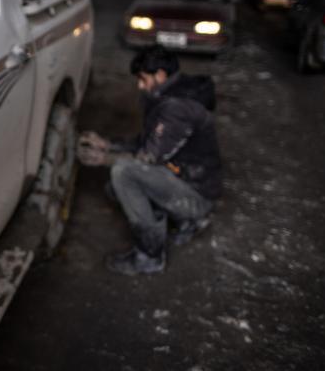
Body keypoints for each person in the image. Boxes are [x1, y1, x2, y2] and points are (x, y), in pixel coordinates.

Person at [77, 47, 222, 275]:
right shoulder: (170, 95)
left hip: (196, 195)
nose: (140, 86)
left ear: (160, 75)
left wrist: (105, 159)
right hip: (186, 180)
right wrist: (108, 144)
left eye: (143, 79)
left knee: (123, 173)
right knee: (117, 187)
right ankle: (185, 219)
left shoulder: (176, 108)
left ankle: (150, 255)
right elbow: (149, 142)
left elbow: (149, 157)